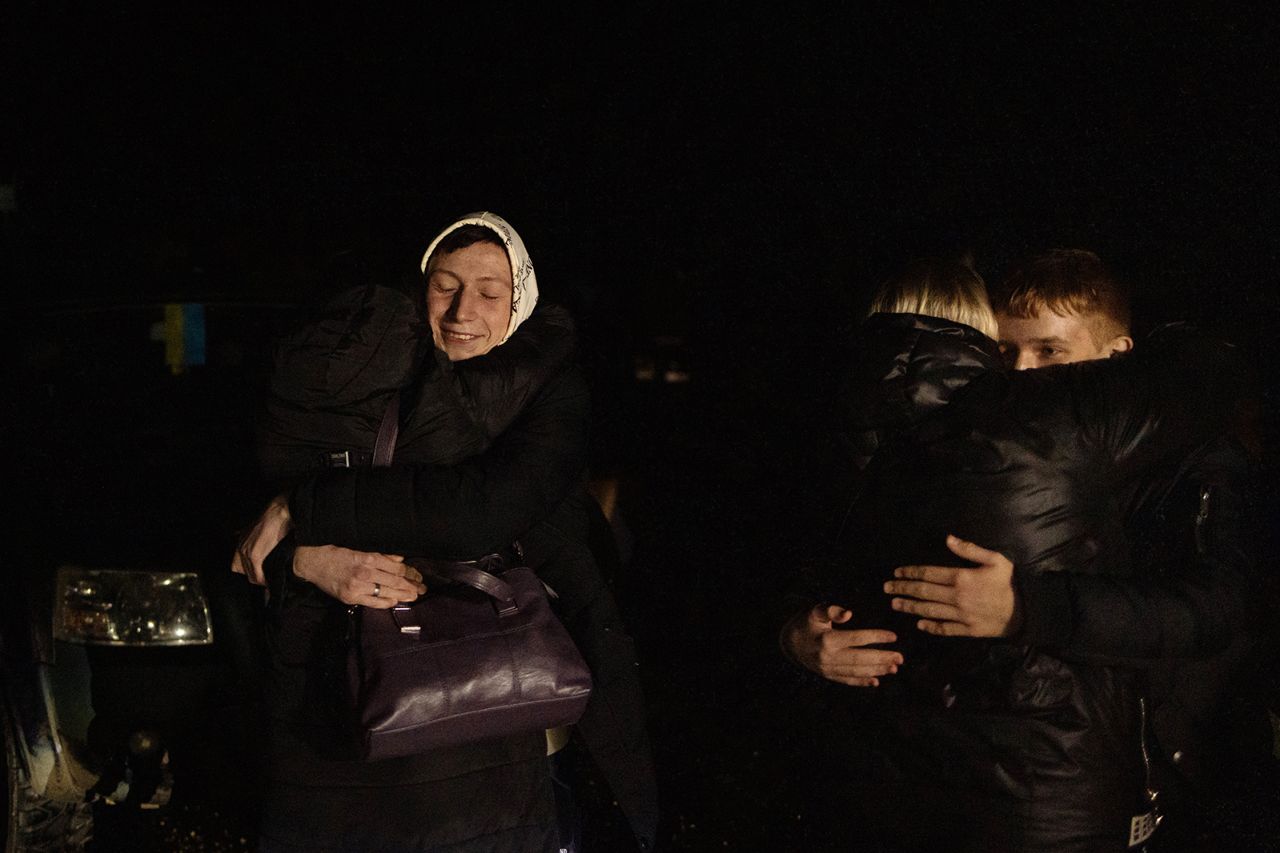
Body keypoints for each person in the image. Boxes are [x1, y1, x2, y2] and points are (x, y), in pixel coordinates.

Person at [785, 250, 1272, 849]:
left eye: (1049, 352)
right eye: (1005, 352)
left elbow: (1220, 612)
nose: (1020, 373)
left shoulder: (1191, 463)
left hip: (1178, 784)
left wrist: (1027, 607)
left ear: (1119, 360)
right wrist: (799, 636)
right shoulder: (967, 451)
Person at [235, 213, 657, 852]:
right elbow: (245, 515)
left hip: (517, 696)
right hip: (371, 713)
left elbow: (475, 512)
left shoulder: (552, 390)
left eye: (490, 293)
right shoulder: (377, 376)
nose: (464, 311)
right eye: (445, 285)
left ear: (520, 301)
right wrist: (304, 556)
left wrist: (301, 508)